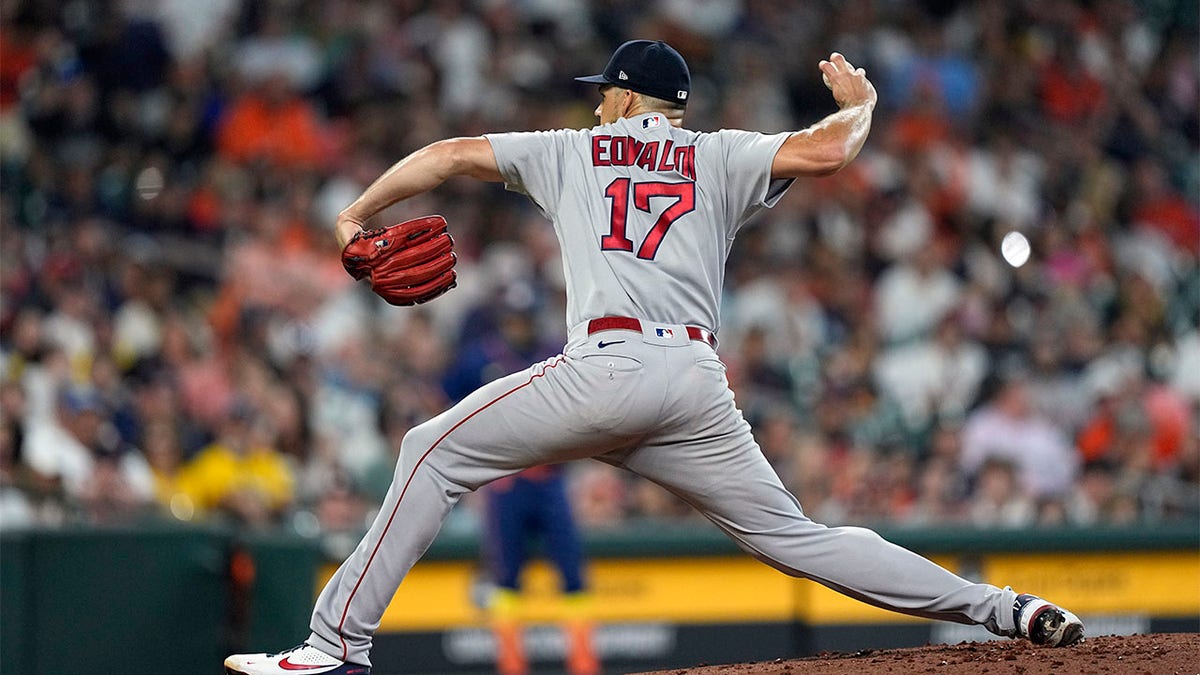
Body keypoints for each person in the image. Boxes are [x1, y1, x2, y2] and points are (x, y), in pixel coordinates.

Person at [225, 40, 1083, 675]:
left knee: (429, 450)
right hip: (693, 385)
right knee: (796, 537)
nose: (597, 105)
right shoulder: (719, 153)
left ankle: (336, 645)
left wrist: (356, 213)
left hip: (607, 367)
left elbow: (447, 156)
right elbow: (828, 150)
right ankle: (1000, 606)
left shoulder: (571, 151)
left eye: (605, 94)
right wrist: (859, 105)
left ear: (631, 100)